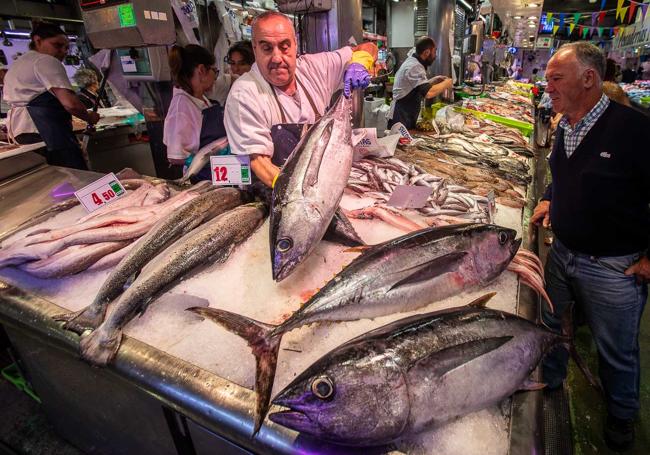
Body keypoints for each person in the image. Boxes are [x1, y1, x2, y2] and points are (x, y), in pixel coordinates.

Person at [531, 42, 650, 452]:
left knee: (616, 352)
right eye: (547, 79)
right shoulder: (565, 124)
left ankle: (621, 419)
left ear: (589, 78)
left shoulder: (635, 130)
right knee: (552, 329)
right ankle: (551, 379)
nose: (548, 87)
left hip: (614, 268)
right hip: (562, 254)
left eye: (555, 78)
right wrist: (549, 196)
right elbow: (564, 174)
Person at [223, 11, 377, 187]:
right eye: (267, 48)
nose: (277, 58)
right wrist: (300, 194)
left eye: (284, 46)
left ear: (295, 44)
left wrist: (360, 61)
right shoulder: (244, 94)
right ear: (255, 48)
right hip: (271, 192)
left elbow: (368, 47)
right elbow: (260, 165)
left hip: (319, 180)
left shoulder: (314, 68)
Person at [3, 22, 99, 169]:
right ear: (38, 40)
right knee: (72, 176)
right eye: (57, 45)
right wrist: (89, 117)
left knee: (48, 177)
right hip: (45, 131)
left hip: (22, 132)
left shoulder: (18, 64)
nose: (63, 51)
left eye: (67, 47)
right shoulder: (45, 60)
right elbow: (71, 104)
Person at [163, 44, 225, 181]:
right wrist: (204, 159)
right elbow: (175, 157)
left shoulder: (200, 98)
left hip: (218, 176)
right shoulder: (181, 107)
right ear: (202, 70)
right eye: (215, 71)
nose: (216, 78)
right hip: (199, 180)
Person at [387, 37, 453, 130]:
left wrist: (433, 80)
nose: (435, 56)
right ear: (426, 52)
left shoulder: (414, 62)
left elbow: (416, 87)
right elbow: (428, 93)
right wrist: (447, 83)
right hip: (401, 115)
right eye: (434, 52)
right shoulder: (414, 66)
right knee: (400, 143)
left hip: (407, 113)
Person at [210, 40, 254, 106]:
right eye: (232, 63)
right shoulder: (226, 83)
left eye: (242, 64)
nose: (236, 68)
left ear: (253, 64)